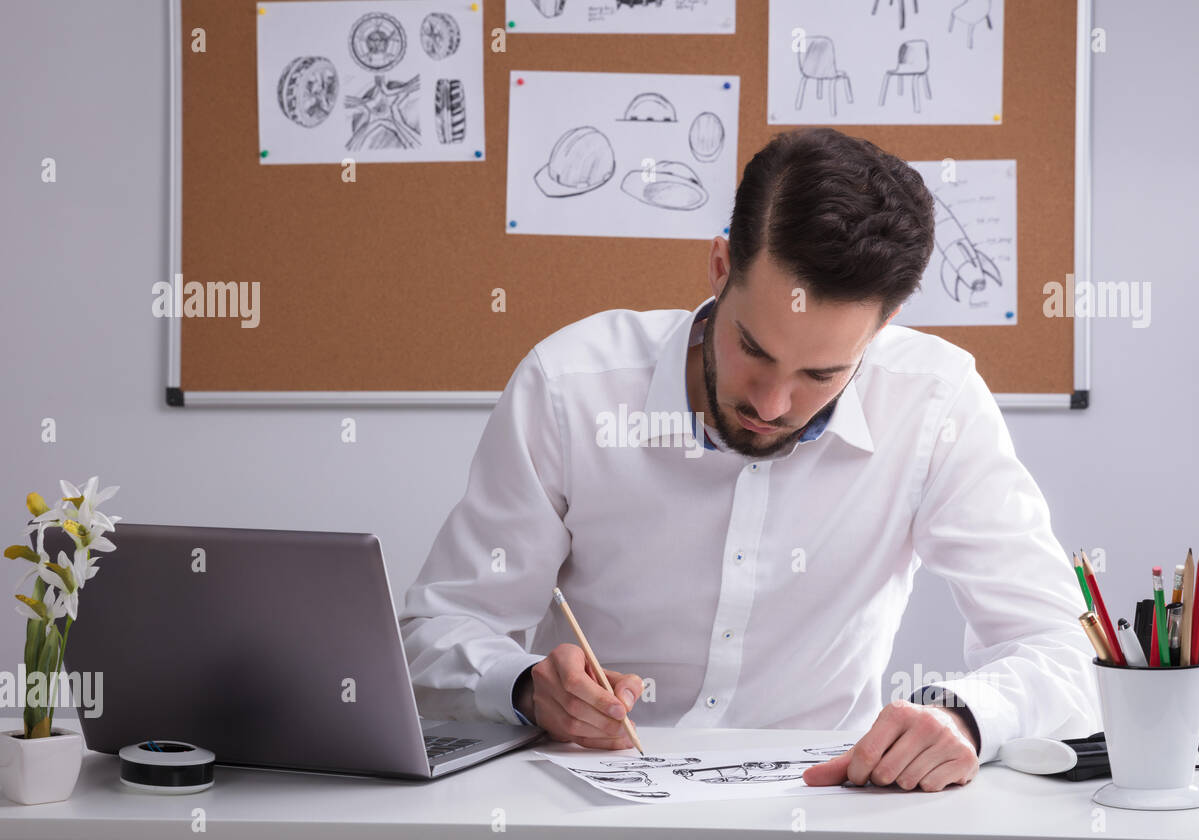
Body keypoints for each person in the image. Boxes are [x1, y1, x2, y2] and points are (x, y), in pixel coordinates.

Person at [399, 127, 1101, 792]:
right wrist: (523, 685)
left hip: (816, 817)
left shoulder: (936, 404)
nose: (771, 403)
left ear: (881, 330)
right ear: (719, 266)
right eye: (754, 351)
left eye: (822, 374)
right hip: (586, 810)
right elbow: (436, 632)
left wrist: (964, 716)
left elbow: (1066, 652)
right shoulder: (571, 389)